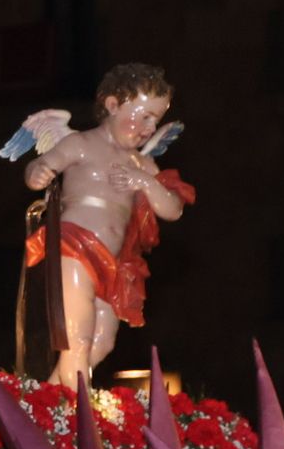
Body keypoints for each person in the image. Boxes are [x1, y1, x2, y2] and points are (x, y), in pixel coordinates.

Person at [22, 63, 193, 387]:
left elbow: (172, 208)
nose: (149, 127)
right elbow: (40, 166)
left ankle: (48, 403)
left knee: (102, 342)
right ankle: (76, 420)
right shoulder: (81, 145)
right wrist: (38, 172)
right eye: (143, 116)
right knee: (78, 338)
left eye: (155, 119)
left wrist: (144, 180)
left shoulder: (142, 163)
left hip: (116, 263)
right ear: (113, 105)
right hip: (75, 246)